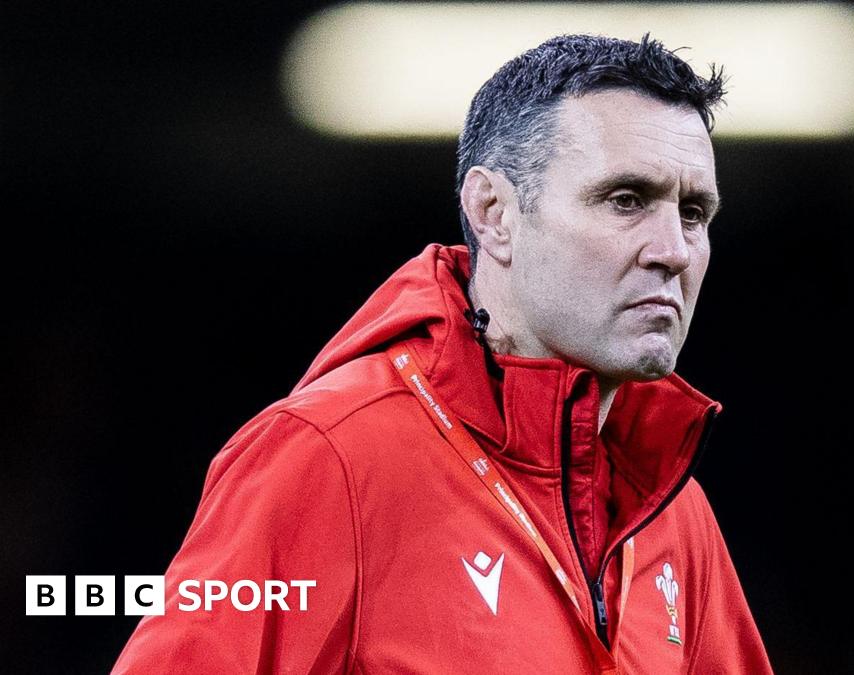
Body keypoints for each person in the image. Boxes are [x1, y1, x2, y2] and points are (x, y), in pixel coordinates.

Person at [113, 33, 774, 674]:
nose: (674, 251)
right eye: (625, 200)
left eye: (694, 212)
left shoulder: (672, 514)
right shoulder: (328, 459)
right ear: (494, 212)